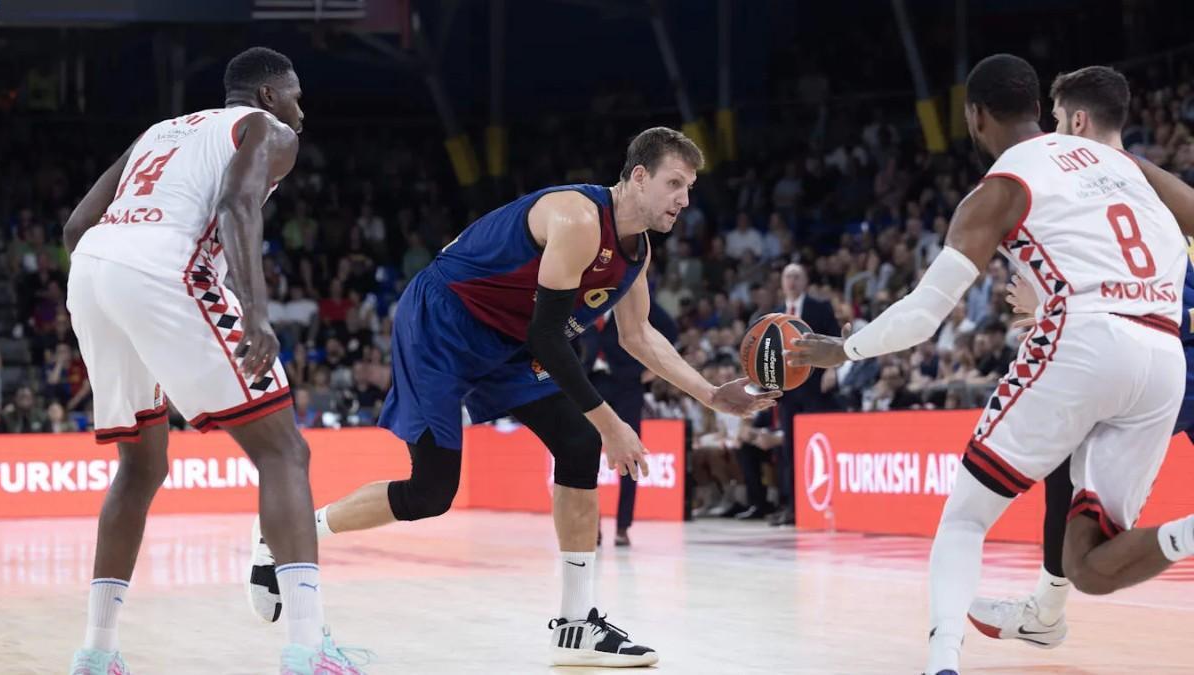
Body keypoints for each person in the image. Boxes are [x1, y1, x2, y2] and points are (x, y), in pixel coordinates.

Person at [248, 127, 780, 667]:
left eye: (688, 187)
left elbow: (638, 336)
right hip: (444, 323)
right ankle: (284, 535)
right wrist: (612, 424)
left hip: (506, 338)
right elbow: (547, 337)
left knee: (576, 444)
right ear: (638, 177)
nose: (684, 200)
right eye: (674, 183)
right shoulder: (577, 218)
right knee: (431, 492)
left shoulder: (636, 252)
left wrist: (713, 394)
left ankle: (576, 624)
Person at [788, 54, 1194, 675]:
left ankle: (942, 662)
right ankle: (1179, 537)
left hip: (1085, 341)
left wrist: (841, 350)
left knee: (966, 518)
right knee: (1087, 563)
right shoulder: (1128, 164)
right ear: (1039, 109)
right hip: (1165, 355)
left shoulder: (1000, 187)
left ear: (975, 118)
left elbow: (925, 314)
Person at [63, 47, 363, 673]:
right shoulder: (268, 130)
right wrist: (254, 310)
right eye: (296, 96)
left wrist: (121, 298)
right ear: (269, 96)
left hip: (93, 269)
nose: (302, 111)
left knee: (139, 467)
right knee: (284, 450)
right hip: (167, 266)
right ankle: (307, 647)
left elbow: (74, 227)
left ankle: (96, 652)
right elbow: (235, 204)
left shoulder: (161, 132)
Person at [967, 65, 1194, 648]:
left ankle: (1047, 610)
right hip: (1156, 350)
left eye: (1057, 118)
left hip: (1161, 348)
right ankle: (1047, 609)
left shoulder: (1120, 175)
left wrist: (1053, 304)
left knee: (1066, 472)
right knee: (1067, 480)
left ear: (1076, 121)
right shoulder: (1133, 178)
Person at [579, 299, 679, 547]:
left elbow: (670, 329)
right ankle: (594, 525)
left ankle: (624, 526)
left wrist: (654, 368)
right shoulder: (583, 298)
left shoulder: (630, 297)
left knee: (630, 453)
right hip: (590, 382)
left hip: (627, 384)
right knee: (585, 454)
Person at [770, 262, 838, 526]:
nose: (792, 281)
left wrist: (833, 369)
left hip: (815, 388)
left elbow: (835, 341)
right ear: (782, 282)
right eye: (788, 276)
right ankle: (792, 507)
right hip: (787, 391)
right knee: (789, 451)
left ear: (806, 280)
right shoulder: (775, 315)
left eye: (797, 276)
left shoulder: (819, 308)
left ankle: (816, 507)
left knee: (813, 448)